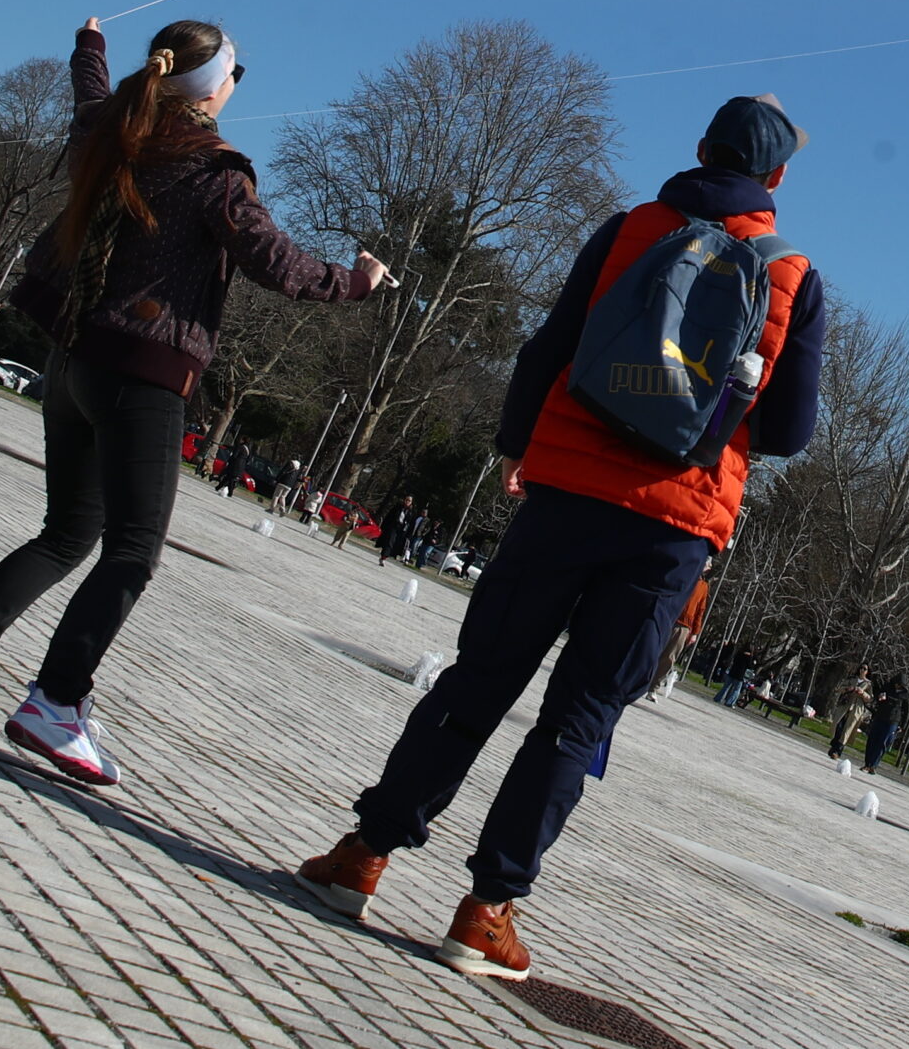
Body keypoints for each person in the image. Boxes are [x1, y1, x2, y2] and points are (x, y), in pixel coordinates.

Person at [297, 94, 825, 981]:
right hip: (672, 529)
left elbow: (549, 346)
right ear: (774, 178)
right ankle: (487, 910)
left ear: (699, 147)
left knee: (478, 680)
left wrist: (517, 445)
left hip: (567, 491)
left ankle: (363, 856)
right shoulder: (793, 277)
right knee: (576, 721)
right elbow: (788, 431)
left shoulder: (628, 228)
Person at [0, 18, 386, 787]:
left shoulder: (114, 129)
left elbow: (92, 92)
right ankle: (57, 701)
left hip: (73, 362)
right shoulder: (214, 175)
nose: (234, 83)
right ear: (208, 87)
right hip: (143, 379)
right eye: (232, 71)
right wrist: (356, 280)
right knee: (130, 551)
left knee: (65, 535)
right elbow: (281, 266)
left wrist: (90, 45)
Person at [644, 558, 714, 703]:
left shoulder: (703, 586)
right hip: (668, 617)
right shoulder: (684, 574)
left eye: (707, 565)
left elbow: (700, 610)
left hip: (683, 626)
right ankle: (637, 680)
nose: (707, 567)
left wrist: (695, 632)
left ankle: (653, 687)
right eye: (706, 563)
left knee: (669, 658)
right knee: (651, 649)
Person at [862, 670, 907, 770]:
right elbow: (877, 697)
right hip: (880, 717)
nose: (897, 686)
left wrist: (902, 726)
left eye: (900, 685)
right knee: (872, 740)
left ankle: (873, 765)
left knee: (883, 743)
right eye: (897, 684)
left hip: (892, 721)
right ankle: (867, 763)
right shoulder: (887, 687)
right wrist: (880, 698)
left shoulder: (905, 695)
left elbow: (906, 712)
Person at [828, 666, 875, 760]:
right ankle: (834, 745)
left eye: (865, 669)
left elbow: (870, 698)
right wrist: (848, 689)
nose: (862, 670)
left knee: (847, 730)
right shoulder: (852, 679)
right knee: (838, 725)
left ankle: (837, 751)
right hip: (845, 705)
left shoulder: (868, 684)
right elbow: (839, 688)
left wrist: (862, 693)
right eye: (861, 668)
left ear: (867, 672)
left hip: (857, 707)